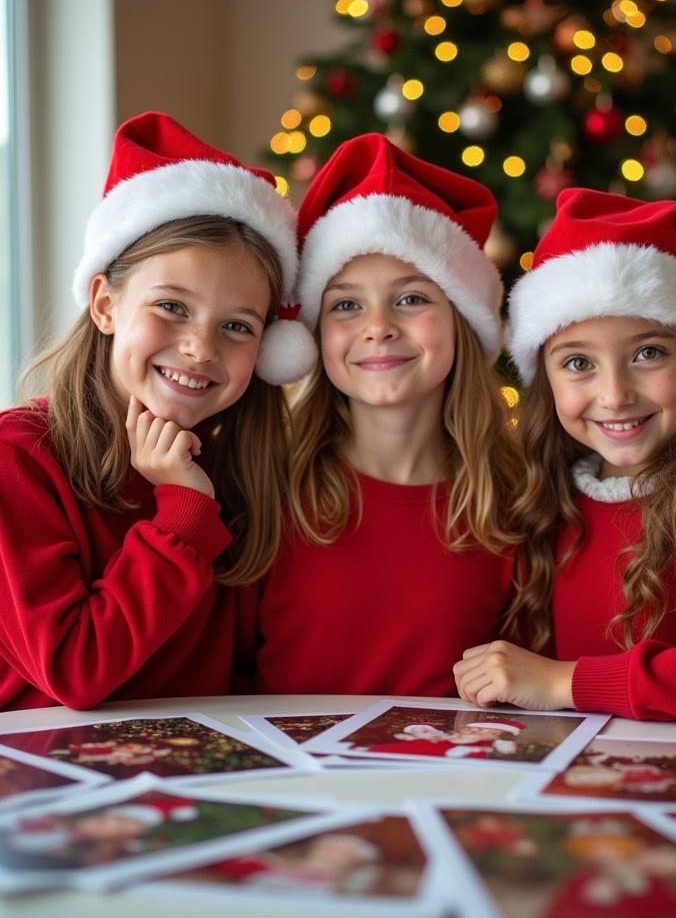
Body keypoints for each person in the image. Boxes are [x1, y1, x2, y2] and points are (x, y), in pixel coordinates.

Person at [0, 111, 316, 711]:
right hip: (46, 782)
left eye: (236, 326)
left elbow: (245, 673)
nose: (201, 346)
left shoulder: (235, 467)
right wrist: (184, 512)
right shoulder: (19, 460)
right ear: (105, 305)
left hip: (195, 782)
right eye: (172, 306)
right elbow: (76, 672)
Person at [454, 188, 676, 726]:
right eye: (578, 362)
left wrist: (564, 680)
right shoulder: (544, 500)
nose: (615, 394)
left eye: (648, 353)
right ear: (545, 379)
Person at [255, 133, 521, 696]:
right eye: (346, 305)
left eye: (411, 298)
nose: (378, 326)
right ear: (315, 334)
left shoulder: (516, 501)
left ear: (461, 322)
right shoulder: (267, 489)